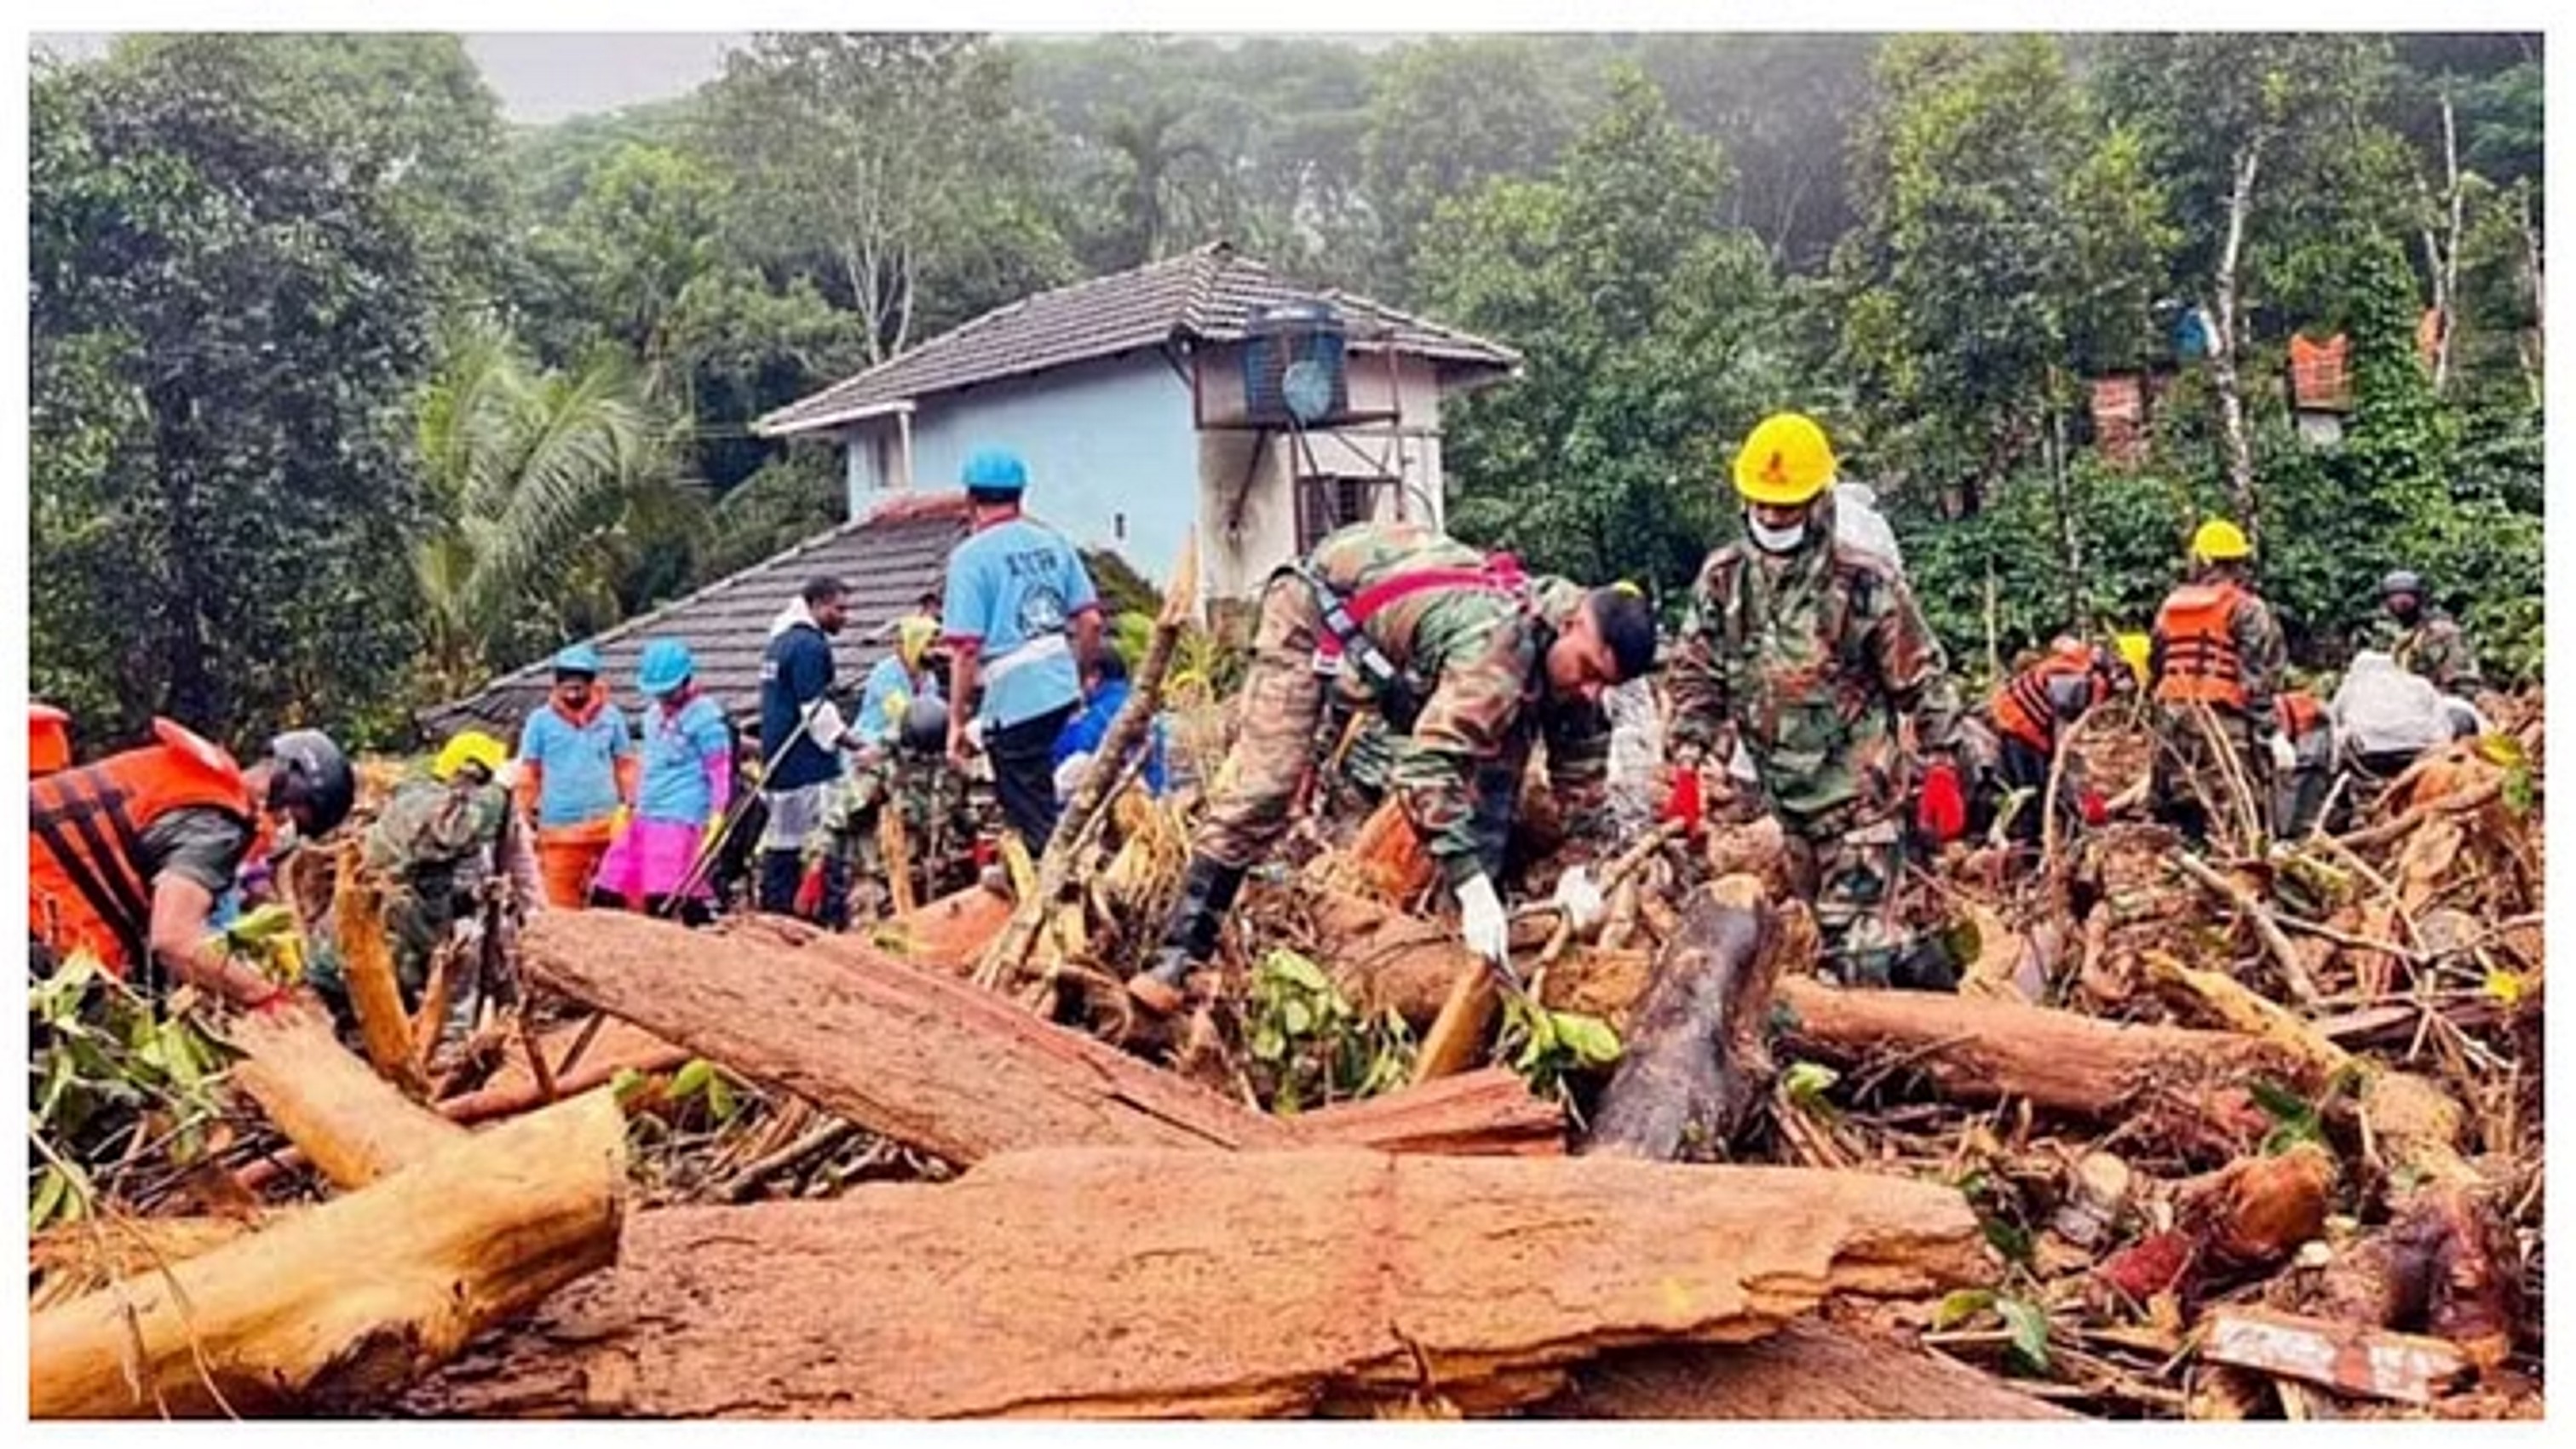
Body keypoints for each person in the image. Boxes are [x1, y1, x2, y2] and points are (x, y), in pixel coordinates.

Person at [1126, 520, 1658, 1015]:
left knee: (1493, 785)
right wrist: (1473, 887)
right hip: (1318, 607)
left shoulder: (1577, 678)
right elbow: (1422, 770)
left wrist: (1582, 873)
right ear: (1569, 624)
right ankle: (1178, 955)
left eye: (1604, 684)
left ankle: (1465, 952)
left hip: (1412, 637)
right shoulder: (1495, 653)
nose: (1589, 691)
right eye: (1587, 670)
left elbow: (1584, 794)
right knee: (1271, 783)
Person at [1665, 411, 1969, 991]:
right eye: (1764, 505)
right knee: (1861, 938)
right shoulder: (1724, 582)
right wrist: (1687, 759)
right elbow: (1697, 675)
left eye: (1789, 506)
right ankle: (1935, 992)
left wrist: (1943, 764)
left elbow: (1922, 677)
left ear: (1818, 500)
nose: (1775, 518)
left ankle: (1902, 1060)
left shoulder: (1864, 582)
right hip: (1791, 808)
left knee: (1854, 963)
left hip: (1861, 802)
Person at [29, 722, 355, 1009]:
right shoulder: (217, 827)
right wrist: (262, 996)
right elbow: (174, 941)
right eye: (295, 816)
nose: (284, 826)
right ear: (290, 786)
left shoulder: (194, 781)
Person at [939, 448, 1102, 852]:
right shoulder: (1053, 542)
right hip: (1060, 689)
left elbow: (965, 649)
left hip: (1014, 702)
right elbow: (1091, 622)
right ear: (1020, 497)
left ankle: (1050, 887)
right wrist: (1080, 678)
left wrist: (956, 721)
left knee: (1027, 815)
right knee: (1040, 790)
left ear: (971, 500)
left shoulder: (970, 558)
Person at [319, 729, 532, 1026]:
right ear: (468, 776)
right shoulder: (420, 804)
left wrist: (473, 896)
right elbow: (456, 829)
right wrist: (497, 791)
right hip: (362, 962)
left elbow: (428, 894)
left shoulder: (434, 809)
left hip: (393, 958)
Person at [2146, 519, 2289, 845]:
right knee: (2244, 802)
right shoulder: (2248, 609)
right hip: (2224, 721)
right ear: (2238, 562)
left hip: (2174, 719)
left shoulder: (2169, 608)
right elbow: (2259, 678)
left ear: (2201, 559)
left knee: (2186, 800)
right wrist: (2271, 731)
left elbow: (2156, 666)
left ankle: (2192, 858)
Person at [595, 641, 733, 925]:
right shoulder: (652, 716)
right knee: (610, 883)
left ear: (685, 680)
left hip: (681, 815)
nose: (664, 698)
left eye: (669, 691)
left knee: (666, 891)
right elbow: (649, 761)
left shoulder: (706, 720)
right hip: (647, 810)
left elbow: (719, 770)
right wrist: (629, 803)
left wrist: (719, 813)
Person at [757, 575, 860, 925]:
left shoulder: (780, 642)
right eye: (839, 609)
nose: (846, 617)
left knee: (782, 843)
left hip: (778, 764)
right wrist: (855, 743)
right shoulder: (809, 647)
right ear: (817, 605)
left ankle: (774, 913)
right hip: (807, 764)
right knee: (823, 843)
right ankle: (827, 920)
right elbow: (815, 711)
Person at [515, 644, 635, 908]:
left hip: (607, 826)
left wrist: (632, 803)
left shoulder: (612, 717)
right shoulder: (540, 722)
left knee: (623, 902)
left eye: (579, 686)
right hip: (559, 831)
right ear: (557, 685)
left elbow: (624, 765)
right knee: (560, 908)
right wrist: (523, 820)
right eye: (567, 686)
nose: (573, 692)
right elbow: (529, 775)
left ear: (592, 684)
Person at [1984, 635, 2127, 845]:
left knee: (2032, 787)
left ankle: (2035, 836)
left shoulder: (2080, 672)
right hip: (2020, 726)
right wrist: (2058, 757)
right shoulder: (2082, 682)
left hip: (2016, 720)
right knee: (2031, 791)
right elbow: (2063, 721)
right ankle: (2032, 844)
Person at [1051, 647, 1169, 802]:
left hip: (1116, 796)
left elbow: (1078, 749)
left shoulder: (1099, 712)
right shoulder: (1140, 704)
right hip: (1151, 794)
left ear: (1095, 676)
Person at [2381, 569, 2486, 696]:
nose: (2400, 606)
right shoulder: (2390, 636)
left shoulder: (2441, 633)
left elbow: (2465, 681)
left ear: (2419, 600)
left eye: (2406, 601)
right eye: (2394, 601)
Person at [857, 612, 945, 751]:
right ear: (913, 643)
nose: (935, 651)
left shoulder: (929, 677)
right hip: (873, 743)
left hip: (907, 743)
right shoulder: (885, 674)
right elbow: (904, 716)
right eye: (929, 644)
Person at [32, 703, 73, 776]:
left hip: (47, 765)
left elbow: (62, 745)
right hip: (52, 765)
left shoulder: (53, 726)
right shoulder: (54, 724)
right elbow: (62, 746)